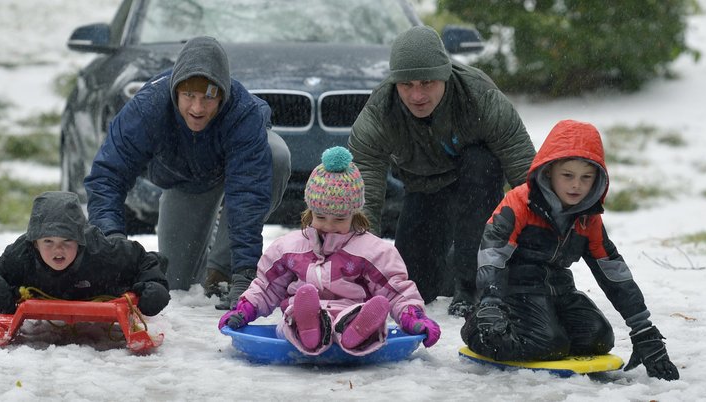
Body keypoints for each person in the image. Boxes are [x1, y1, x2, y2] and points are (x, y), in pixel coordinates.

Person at [461, 120, 679, 380]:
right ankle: (478, 327)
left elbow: (612, 270)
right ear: (549, 171)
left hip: (558, 289)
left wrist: (643, 328)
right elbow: (492, 254)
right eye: (568, 175)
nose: (577, 185)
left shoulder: (588, 217)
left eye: (586, 177)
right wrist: (490, 302)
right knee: (548, 343)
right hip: (512, 291)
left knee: (598, 337)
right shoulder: (519, 202)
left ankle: (546, 333)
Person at [83, 36, 291, 309]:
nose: (197, 108)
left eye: (208, 97)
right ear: (175, 91)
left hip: (233, 167)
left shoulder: (243, 113)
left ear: (222, 94)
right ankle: (205, 254)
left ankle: (223, 269)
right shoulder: (148, 107)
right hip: (184, 182)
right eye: (189, 96)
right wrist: (111, 242)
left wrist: (245, 270)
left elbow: (248, 193)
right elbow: (108, 175)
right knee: (176, 282)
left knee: (275, 153)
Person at [348, 26, 536, 316]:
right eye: (406, 85)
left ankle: (471, 284)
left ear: (445, 75)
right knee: (414, 285)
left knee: (481, 162)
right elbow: (363, 198)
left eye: (427, 82)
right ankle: (453, 264)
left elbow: (525, 174)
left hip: (477, 185)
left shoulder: (481, 96)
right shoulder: (379, 114)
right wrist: (358, 266)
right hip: (423, 188)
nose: (417, 95)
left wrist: (543, 251)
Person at [218, 147, 440, 355]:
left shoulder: (371, 252)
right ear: (310, 210)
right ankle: (309, 327)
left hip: (352, 312)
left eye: (340, 219)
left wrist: (413, 317)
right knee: (295, 312)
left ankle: (356, 331)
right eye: (321, 217)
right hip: (300, 312)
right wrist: (244, 309)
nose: (329, 225)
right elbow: (267, 287)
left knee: (354, 318)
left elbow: (395, 291)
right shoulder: (289, 249)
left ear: (355, 214)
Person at [0, 191, 170, 317]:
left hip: (99, 281)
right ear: (35, 243)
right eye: (48, 242)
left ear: (79, 240)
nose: (57, 250)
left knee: (118, 240)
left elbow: (145, 262)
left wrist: (155, 287)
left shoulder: (102, 252)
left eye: (67, 241)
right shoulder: (22, 255)